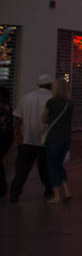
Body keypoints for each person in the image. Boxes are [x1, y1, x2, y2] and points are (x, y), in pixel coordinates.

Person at [9, 74, 54, 203]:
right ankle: (49, 188)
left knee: (22, 168)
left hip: (27, 139)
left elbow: (18, 118)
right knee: (45, 168)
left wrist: (17, 134)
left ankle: (15, 192)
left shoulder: (26, 98)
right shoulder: (52, 99)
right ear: (51, 85)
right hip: (46, 140)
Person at [42, 78, 73, 203]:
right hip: (65, 137)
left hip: (53, 137)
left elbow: (44, 119)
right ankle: (66, 190)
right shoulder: (69, 104)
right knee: (59, 164)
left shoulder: (51, 102)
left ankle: (57, 195)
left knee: (52, 165)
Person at [0, 87, 12, 197]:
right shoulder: (7, 107)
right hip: (6, 138)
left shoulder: (3, 108)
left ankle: (2, 186)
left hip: (3, 138)